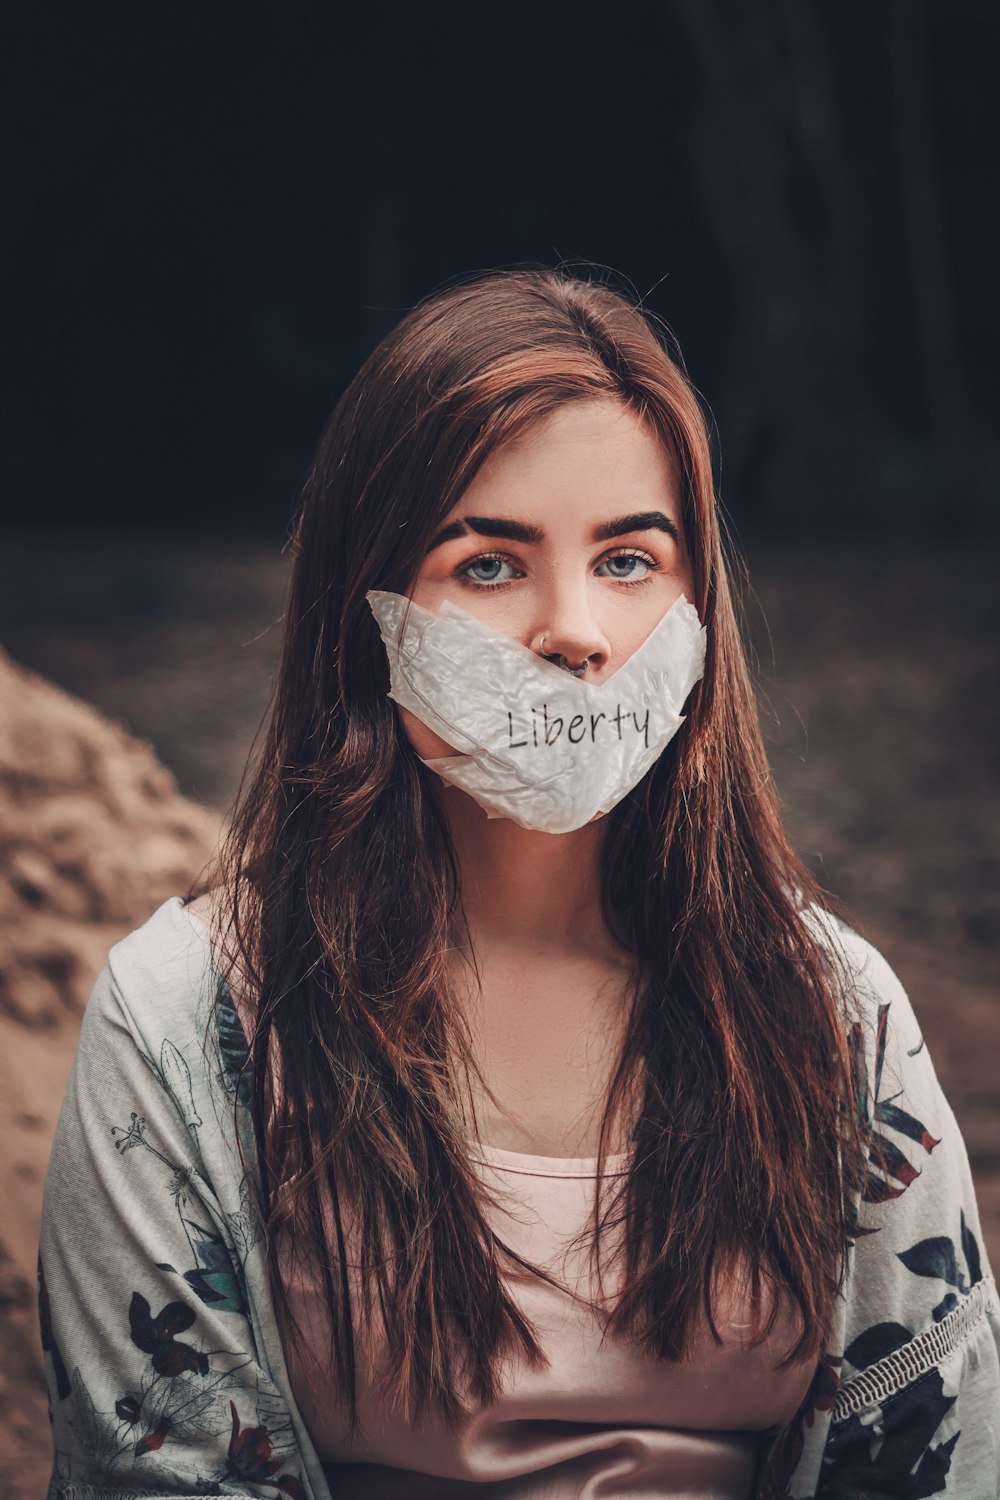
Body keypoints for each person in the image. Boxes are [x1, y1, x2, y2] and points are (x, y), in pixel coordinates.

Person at [38, 267, 1000, 1500]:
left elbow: (926, 1447)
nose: (577, 630)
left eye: (629, 559)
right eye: (490, 565)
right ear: (363, 613)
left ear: (697, 600)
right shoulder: (186, 1021)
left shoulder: (829, 1015)